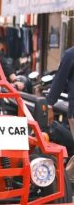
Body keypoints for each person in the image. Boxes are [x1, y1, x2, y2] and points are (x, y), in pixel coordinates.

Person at [47, 47, 74, 183]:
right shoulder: (71, 54)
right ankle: (64, 181)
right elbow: (59, 80)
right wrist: (49, 105)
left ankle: (64, 181)